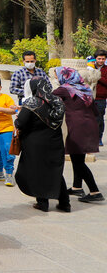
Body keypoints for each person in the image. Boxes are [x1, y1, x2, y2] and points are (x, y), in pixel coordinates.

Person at [15, 78, 71, 213]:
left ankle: (42, 203)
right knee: (55, 172)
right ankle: (65, 203)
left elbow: (21, 123)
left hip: (35, 144)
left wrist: (17, 118)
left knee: (37, 171)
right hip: (55, 142)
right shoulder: (57, 101)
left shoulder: (32, 102)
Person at [54, 67, 103, 203]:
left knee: (77, 161)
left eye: (57, 76)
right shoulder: (85, 88)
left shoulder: (64, 89)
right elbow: (95, 110)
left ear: (65, 76)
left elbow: (49, 99)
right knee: (78, 156)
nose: (57, 79)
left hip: (77, 126)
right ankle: (77, 187)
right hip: (90, 125)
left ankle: (95, 191)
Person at [94, 50, 107, 144]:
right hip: (88, 97)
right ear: (96, 59)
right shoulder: (90, 67)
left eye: (103, 58)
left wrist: (98, 76)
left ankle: (99, 138)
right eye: (99, 58)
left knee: (99, 118)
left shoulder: (106, 69)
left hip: (101, 98)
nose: (101, 60)